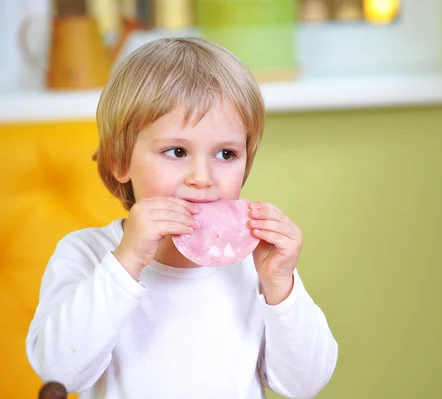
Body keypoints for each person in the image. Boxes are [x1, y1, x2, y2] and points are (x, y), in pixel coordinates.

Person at [25, 37, 338, 398]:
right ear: (120, 161)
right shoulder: (86, 254)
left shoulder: (256, 267)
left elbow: (305, 384)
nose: (202, 177)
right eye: (176, 151)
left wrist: (281, 285)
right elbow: (60, 372)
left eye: (225, 153)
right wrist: (126, 262)